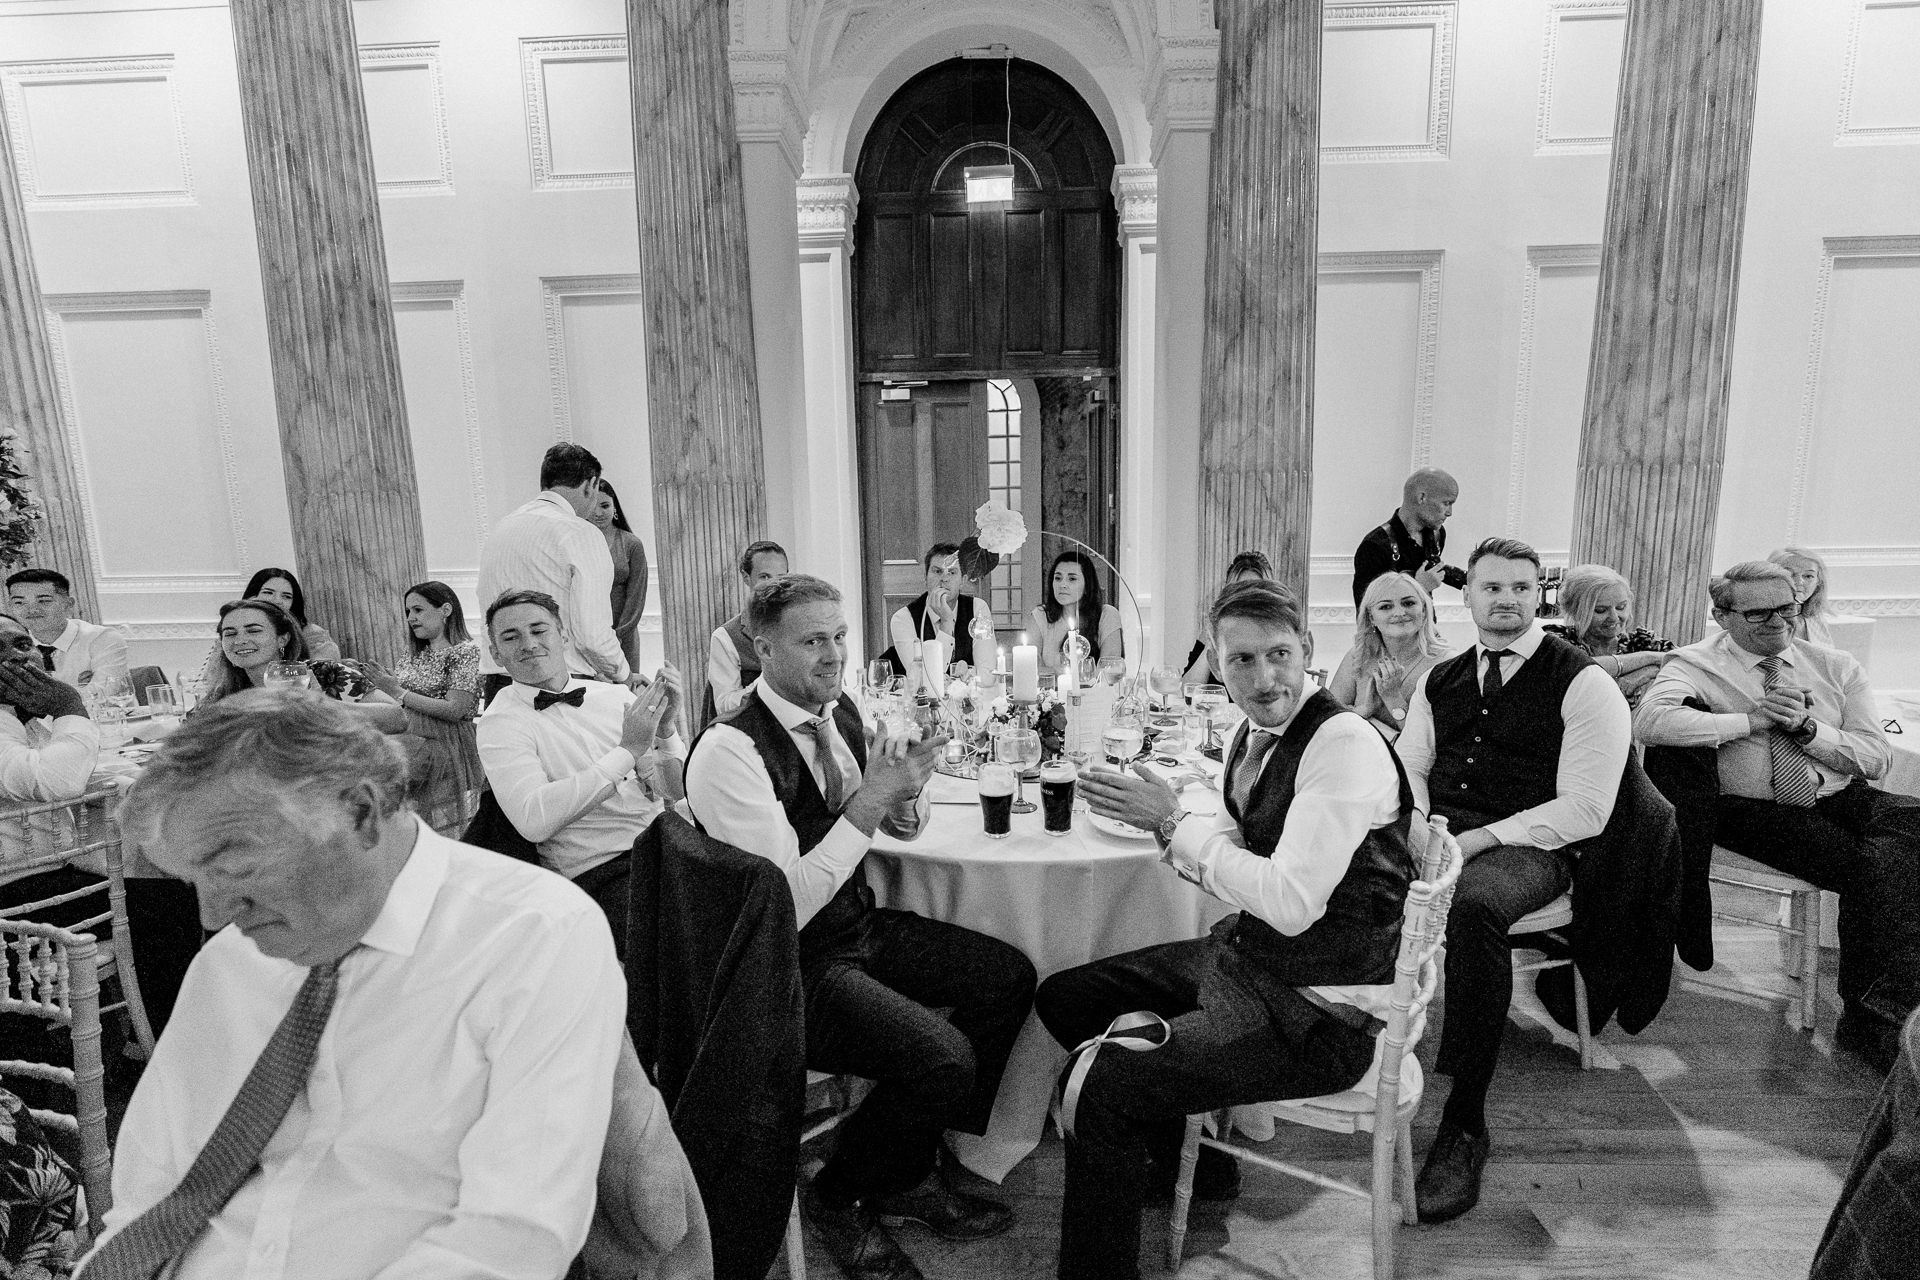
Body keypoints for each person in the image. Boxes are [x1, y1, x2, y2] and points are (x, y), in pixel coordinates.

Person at [80, 690, 626, 1277]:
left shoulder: (530, 936)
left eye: (234, 862)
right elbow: (153, 1189)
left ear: (361, 814)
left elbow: (512, 1239)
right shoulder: (232, 962)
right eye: (194, 879)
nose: (212, 915)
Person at [1035, 579, 1415, 1280]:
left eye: (1278, 655)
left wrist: (1172, 825)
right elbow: (1230, 827)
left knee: (1103, 1084)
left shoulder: (1342, 745)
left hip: (1323, 1015)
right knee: (1064, 996)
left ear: (1307, 649)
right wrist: (1183, 820)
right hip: (1252, 965)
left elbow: (1293, 903)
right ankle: (1185, 1167)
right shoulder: (1256, 729)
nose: (1263, 677)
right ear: (1217, 659)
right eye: (1241, 660)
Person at [685, 574, 1034, 1280]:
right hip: (784, 967)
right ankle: (839, 1195)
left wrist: (906, 800)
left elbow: (882, 820)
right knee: (943, 1058)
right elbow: (782, 907)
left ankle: (909, 1163)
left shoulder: (838, 707)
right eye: (813, 640)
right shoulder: (730, 752)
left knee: (1008, 977)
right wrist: (872, 803)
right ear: (762, 648)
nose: (834, 654)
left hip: (856, 926)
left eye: (840, 636)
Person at [1395, 536, 1631, 1223]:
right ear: (1465, 597)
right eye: (1491, 588)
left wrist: (1477, 839)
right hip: (1437, 834)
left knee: (1473, 910)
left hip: (1533, 845)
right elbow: (1409, 762)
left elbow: (1587, 808)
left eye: (1520, 589)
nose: (1505, 600)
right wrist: (1415, 828)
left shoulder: (1583, 680)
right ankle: (1337, 1046)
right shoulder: (1439, 678)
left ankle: (1465, 1121)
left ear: (1540, 597)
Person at [1635, 560, 1920, 1069]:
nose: (1777, 622)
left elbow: (1876, 759)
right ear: (1722, 615)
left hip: (1838, 793)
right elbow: (1652, 721)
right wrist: (1748, 720)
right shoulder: (1694, 664)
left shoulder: (1834, 665)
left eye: (1786, 608)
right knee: (1877, 868)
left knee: (1909, 837)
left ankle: (1883, 1011)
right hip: (1751, 808)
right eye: (1758, 613)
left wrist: (1811, 731)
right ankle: (1875, 1020)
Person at [476, 589, 684, 953]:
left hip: (664, 850)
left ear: (563, 635)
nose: (529, 643)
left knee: (757, 885)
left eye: (539, 630)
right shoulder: (500, 723)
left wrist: (667, 732)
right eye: (511, 637)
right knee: (684, 929)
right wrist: (626, 752)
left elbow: (672, 791)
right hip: (597, 872)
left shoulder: (613, 697)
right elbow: (534, 820)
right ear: (496, 654)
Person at [477, 442, 637, 703]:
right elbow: (591, 636)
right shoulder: (580, 533)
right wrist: (624, 676)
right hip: (558, 681)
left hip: (500, 683)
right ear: (590, 485)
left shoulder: (500, 529)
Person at [362, 581, 483, 825]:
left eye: (418, 610)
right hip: (409, 732)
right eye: (408, 612)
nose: (410, 618)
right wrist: (386, 685)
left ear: (445, 610)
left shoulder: (465, 651)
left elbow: (455, 710)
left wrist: (398, 691)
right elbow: (402, 696)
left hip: (446, 742)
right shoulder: (414, 651)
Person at [0, 612, 100, 905]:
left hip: (47, 871)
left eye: (22, 644)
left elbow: (77, 771)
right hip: (13, 894)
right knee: (183, 899)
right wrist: (68, 704)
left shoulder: (19, 716)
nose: (16, 657)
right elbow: (57, 783)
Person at [201, 599, 406, 734]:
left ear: (283, 639)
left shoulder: (324, 674)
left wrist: (320, 704)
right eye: (230, 633)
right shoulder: (224, 695)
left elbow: (396, 719)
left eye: (253, 631)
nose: (240, 640)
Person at [1329, 570, 1451, 738]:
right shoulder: (1358, 656)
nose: (1399, 613)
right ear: (1371, 617)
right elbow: (1327, 723)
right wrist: (1363, 711)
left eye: (1408, 603)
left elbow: (1433, 741)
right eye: (1386, 607)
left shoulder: (1446, 664)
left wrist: (1393, 697)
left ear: (1423, 610)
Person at [1544, 564, 1672, 703]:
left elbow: (1690, 660)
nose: (1614, 617)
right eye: (1601, 610)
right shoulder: (1556, 638)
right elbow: (1578, 668)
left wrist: (1643, 673)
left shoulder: (1640, 641)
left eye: (1621, 607)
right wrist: (1648, 657)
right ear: (1576, 612)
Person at [1352, 467, 1467, 607]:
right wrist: (1418, 586)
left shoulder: (1437, 534)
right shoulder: (1375, 546)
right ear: (1421, 498)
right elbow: (1366, 613)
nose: (1449, 513)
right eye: (1446, 503)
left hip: (1427, 626)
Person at [5, 568, 127, 693]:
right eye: (19, 602)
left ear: (68, 604)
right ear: (10, 607)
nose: (32, 610)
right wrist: (77, 690)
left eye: (43, 601)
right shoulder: (8, 648)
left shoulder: (103, 639)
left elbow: (107, 692)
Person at [706, 539, 788, 720]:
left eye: (780, 577)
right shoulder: (725, 637)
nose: (774, 585)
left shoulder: (798, 626)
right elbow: (724, 705)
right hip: (751, 729)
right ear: (746, 578)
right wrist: (769, 680)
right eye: (764, 577)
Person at [884, 542, 983, 679]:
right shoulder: (903, 619)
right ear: (925, 578)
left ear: (963, 580)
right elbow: (923, 680)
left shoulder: (978, 609)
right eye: (937, 571)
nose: (944, 579)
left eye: (952, 572)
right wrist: (946, 622)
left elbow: (987, 674)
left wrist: (967, 677)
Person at [586, 478, 651, 672]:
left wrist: (618, 635)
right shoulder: (576, 543)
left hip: (624, 633)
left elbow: (636, 596)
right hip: (588, 636)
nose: (598, 512)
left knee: (626, 692)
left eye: (605, 505)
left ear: (615, 508)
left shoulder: (632, 544)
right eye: (593, 506)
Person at [1181, 551, 1271, 685]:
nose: (1248, 596)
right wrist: (1213, 638)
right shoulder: (1214, 628)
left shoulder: (1276, 632)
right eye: (1241, 588)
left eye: (1256, 589)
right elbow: (1188, 689)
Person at [1030, 549, 1122, 679]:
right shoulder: (1041, 615)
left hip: (1095, 694)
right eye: (1058, 578)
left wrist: (1055, 672)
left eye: (1072, 579)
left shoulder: (1107, 614)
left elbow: (1109, 668)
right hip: (1051, 694)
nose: (1063, 585)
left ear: (1087, 586)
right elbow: (1030, 667)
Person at [1770, 545, 1837, 648]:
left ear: (1818, 582)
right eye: (1789, 574)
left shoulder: (1816, 616)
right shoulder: (1764, 619)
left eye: (1808, 576)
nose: (1799, 582)